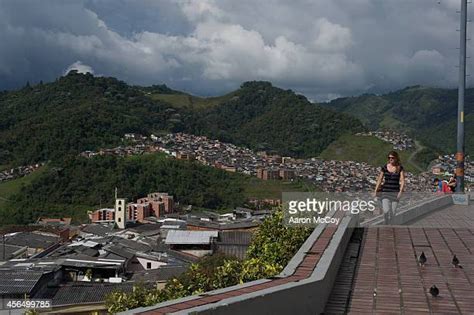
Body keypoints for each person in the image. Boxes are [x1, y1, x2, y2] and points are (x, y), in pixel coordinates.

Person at [374, 151, 405, 224]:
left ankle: (390, 227)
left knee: (393, 213)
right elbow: (380, 179)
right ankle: (386, 221)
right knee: (386, 210)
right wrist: (375, 190)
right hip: (385, 191)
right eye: (389, 157)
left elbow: (402, 180)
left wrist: (401, 191)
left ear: (396, 158)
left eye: (392, 158)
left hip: (395, 192)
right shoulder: (385, 167)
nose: (391, 159)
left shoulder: (400, 168)